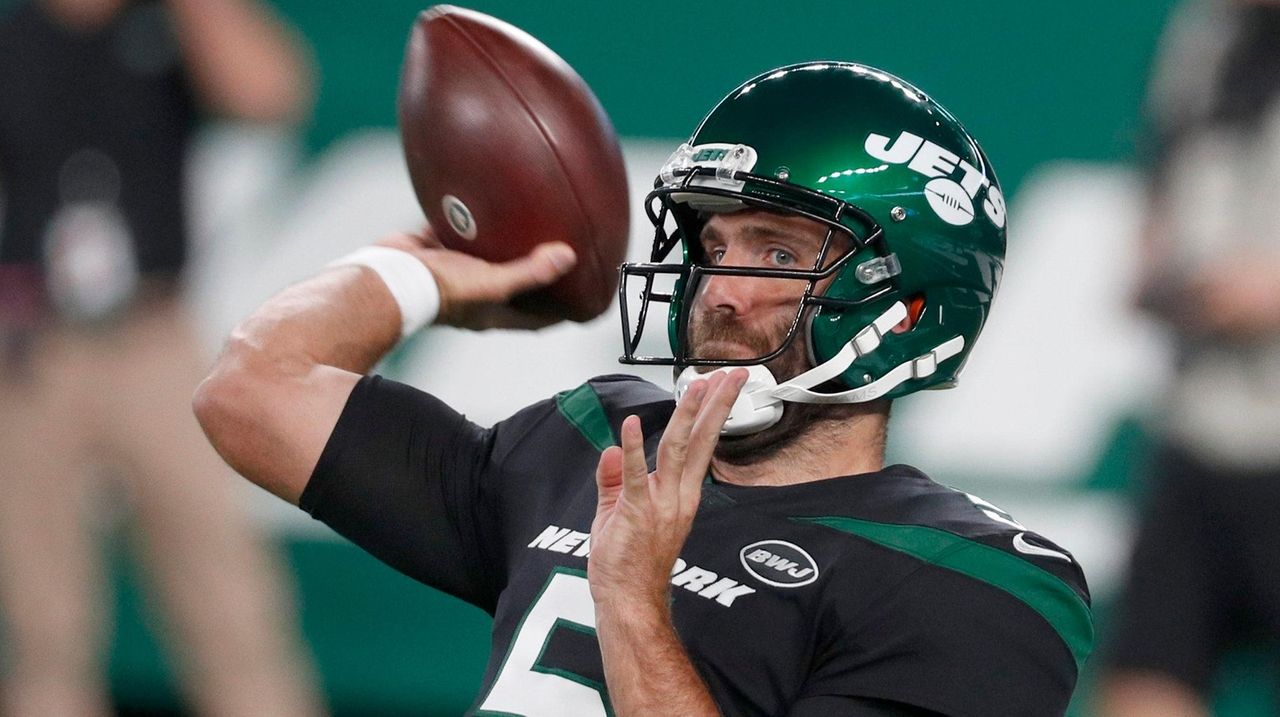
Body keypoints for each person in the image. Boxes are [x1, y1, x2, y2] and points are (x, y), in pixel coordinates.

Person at [195, 62, 1093, 716]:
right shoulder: (595, 439)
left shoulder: (975, 585)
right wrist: (424, 276)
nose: (723, 291)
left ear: (908, 308)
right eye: (714, 247)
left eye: (779, 253)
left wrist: (629, 599)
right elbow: (250, 389)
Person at [0, 1, 324, 715]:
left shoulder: (170, 27)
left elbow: (272, 95)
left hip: (153, 339)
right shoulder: (15, 34)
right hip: (29, 347)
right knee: (42, 625)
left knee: (231, 604)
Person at [1097, 2, 1280, 715]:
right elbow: (1165, 176)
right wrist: (1161, 265)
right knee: (1145, 675)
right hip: (1200, 428)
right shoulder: (1206, 34)